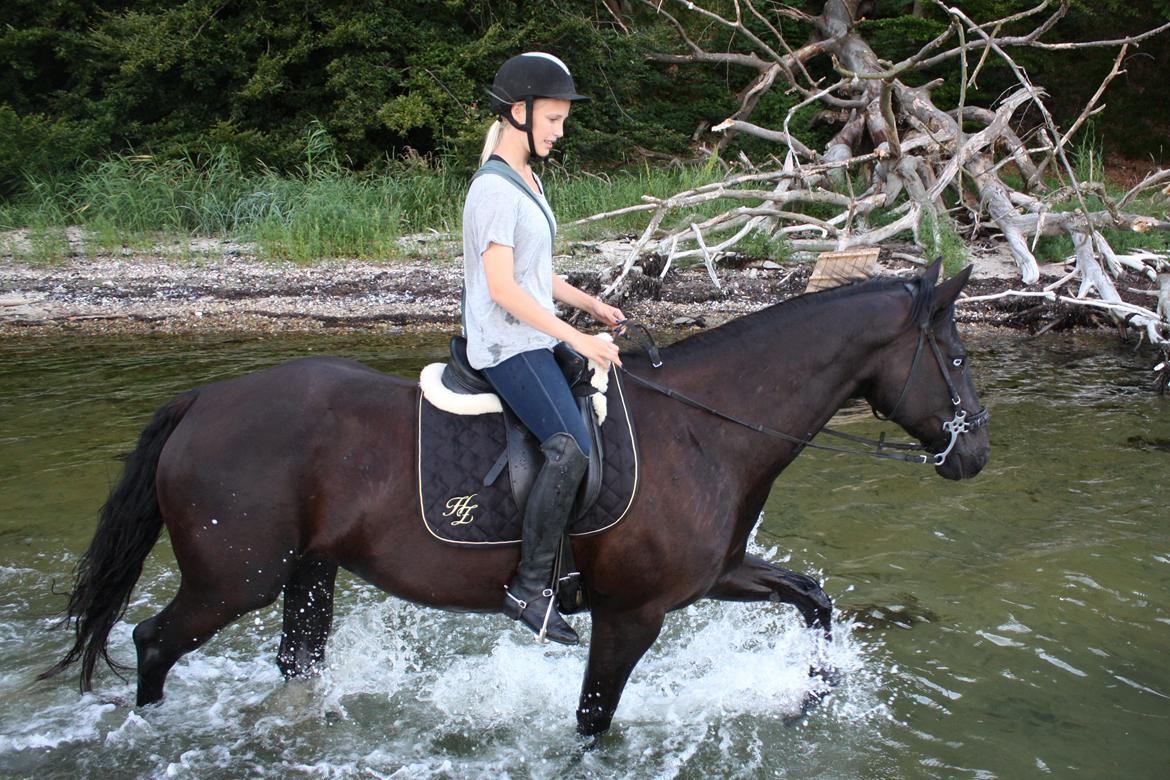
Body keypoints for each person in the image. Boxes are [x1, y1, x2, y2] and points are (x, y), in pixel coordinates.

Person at [461, 52, 625, 645]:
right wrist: (577, 337)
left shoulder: (527, 179)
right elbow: (504, 290)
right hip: (506, 343)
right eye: (553, 120)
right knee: (569, 448)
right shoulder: (494, 191)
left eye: (561, 121)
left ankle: (575, 560)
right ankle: (529, 588)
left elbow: (536, 274)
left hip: (533, 329)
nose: (559, 131)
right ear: (519, 112)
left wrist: (589, 305)